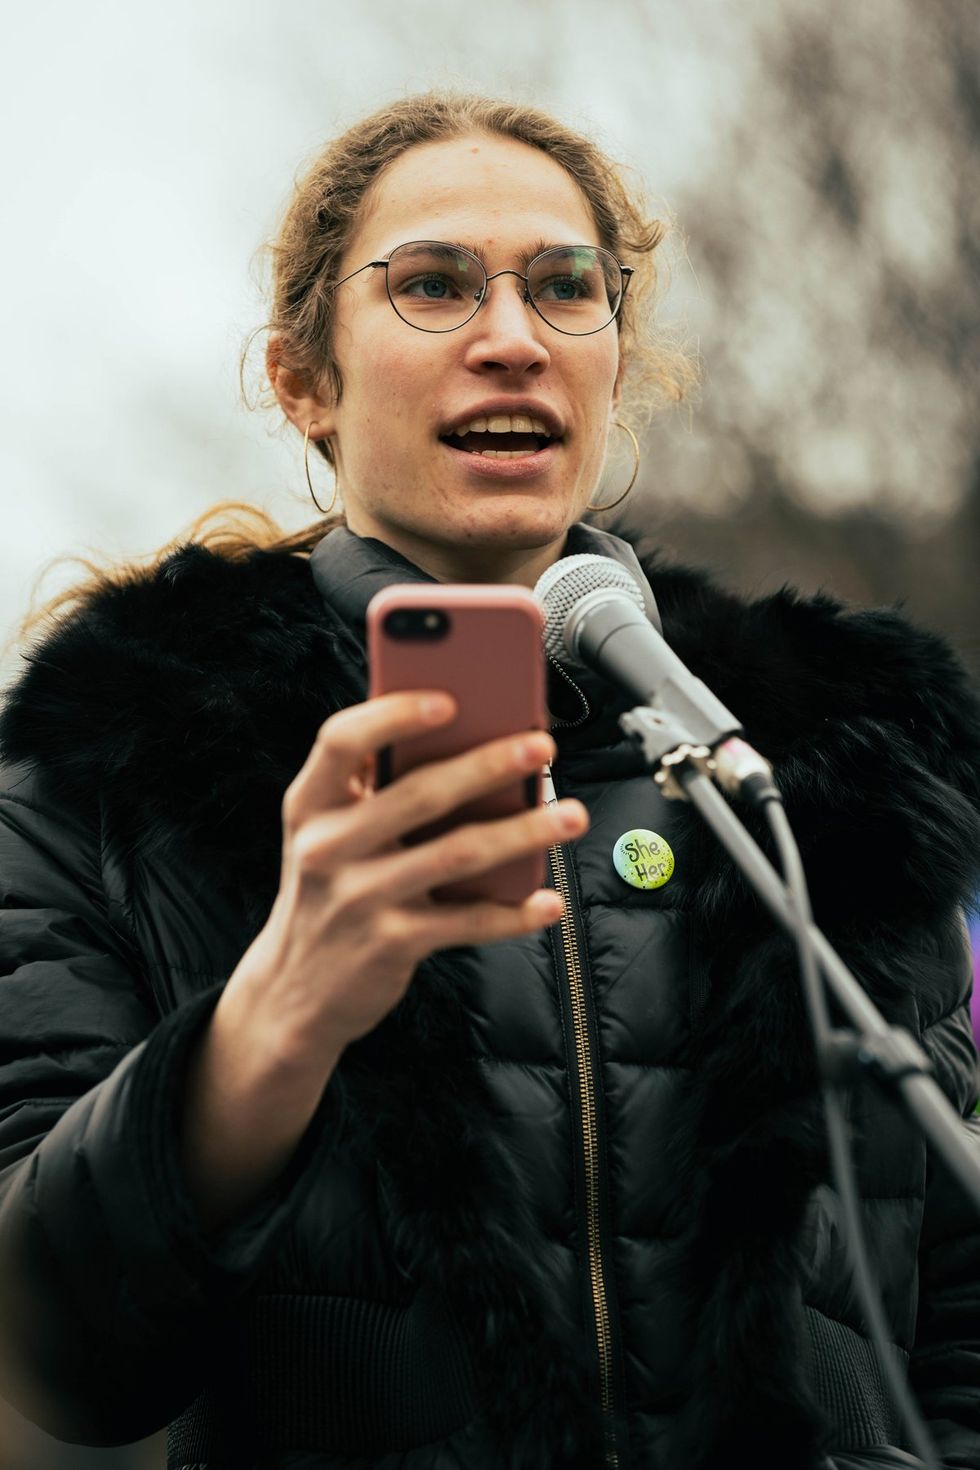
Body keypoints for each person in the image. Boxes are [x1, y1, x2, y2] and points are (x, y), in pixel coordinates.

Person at [0, 91, 978, 1470]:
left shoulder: (829, 752)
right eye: (434, 283)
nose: (512, 337)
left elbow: (955, 1300)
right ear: (305, 381)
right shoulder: (115, 764)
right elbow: (49, 1347)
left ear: (615, 362)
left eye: (565, 286)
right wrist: (277, 1016)